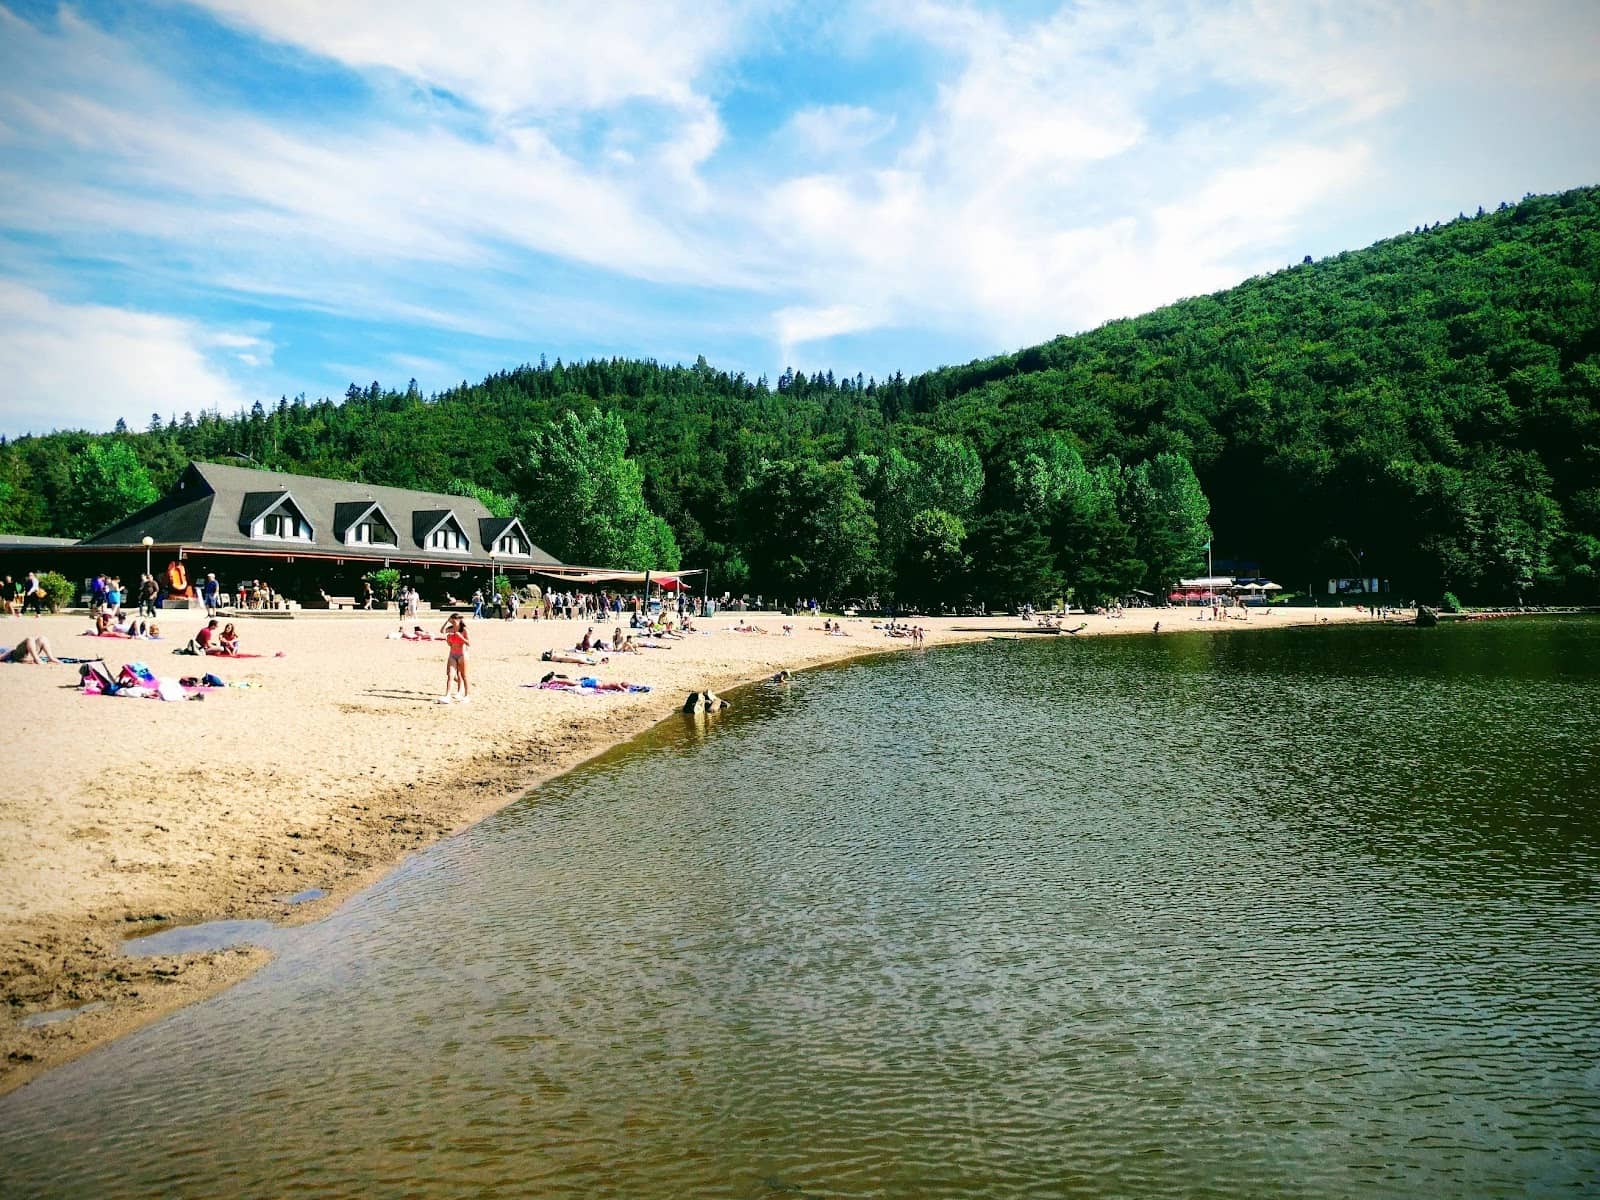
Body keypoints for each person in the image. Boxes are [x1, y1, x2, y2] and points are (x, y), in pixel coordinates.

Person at [439, 613, 470, 703]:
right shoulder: (451, 629)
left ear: (459, 620)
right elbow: (442, 631)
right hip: (452, 654)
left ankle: (467, 695)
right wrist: (448, 641)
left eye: (454, 620)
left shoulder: (464, 630)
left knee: (464, 676)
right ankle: (447, 695)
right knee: (450, 675)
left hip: (462, 655)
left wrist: (461, 637)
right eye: (451, 621)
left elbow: (469, 643)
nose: (453, 622)